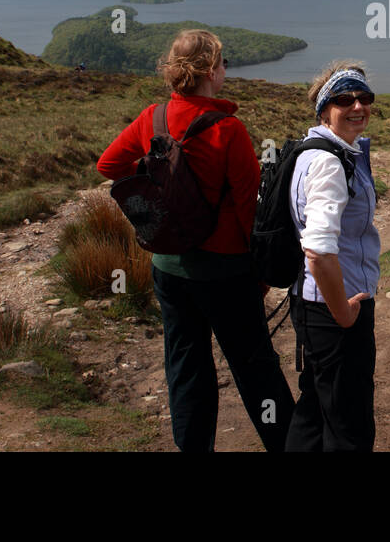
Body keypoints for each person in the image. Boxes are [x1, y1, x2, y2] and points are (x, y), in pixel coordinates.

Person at [97, 29, 293, 452]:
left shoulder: (154, 117)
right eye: (222, 64)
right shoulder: (228, 130)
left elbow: (108, 164)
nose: (225, 71)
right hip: (227, 274)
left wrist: (155, 182)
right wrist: (261, 276)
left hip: (169, 269)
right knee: (256, 370)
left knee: (186, 371)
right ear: (209, 71)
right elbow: (249, 215)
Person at [286, 60, 380, 452]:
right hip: (337, 307)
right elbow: (319, 250)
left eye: (364, 97)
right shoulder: (328, 162)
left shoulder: (315, 151)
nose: (357, 106)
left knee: (315, 408)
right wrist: (343, 312)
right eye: (345, 99)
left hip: (312, 303)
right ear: (325, 110)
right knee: (349, 426)